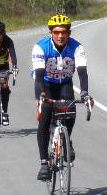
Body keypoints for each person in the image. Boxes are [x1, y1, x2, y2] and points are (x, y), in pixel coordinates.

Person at [32, 14, 92, 181]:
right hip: (45, 84)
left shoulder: (77, 48)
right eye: (56, 32)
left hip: (65, 83)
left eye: (64, 32)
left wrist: (85, 93)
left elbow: (82, 72)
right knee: (44, 121)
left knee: (71, 112)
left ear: (69, 32)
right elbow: (38, 75)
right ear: (50, 32)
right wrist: (41, 95)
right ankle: (44, 163)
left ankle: (67, 140)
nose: (60, 36)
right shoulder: (40, 47)